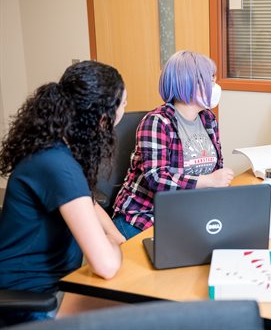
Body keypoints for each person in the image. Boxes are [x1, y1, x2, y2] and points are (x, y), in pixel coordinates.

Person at [0, 61, 127, 325]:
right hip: (31, 301)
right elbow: (105, 265)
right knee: (142, 311)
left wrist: (118, 237)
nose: (125, 111)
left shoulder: (60, 147)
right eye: (123, 104)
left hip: (54, 286)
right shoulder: (58, 165)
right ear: (102, 118)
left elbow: (88, 204)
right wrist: (114, 245)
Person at [112, 51, 234, 239]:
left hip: (186, 214)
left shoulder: (208, 119)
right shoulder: (157, 122)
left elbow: (216, 169)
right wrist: (209, 181)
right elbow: (157, 179)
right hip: (146, 216)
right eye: (210, 80)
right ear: (190, 84)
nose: (215, 87)